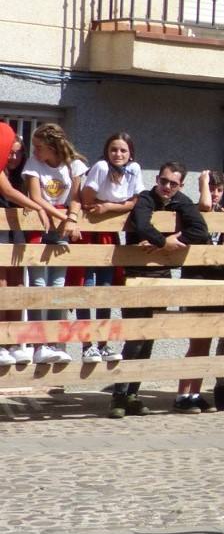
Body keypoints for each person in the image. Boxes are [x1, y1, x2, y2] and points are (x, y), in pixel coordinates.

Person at [109, 161, 211, 418]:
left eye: (173, 183)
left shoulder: (182, 202)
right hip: (136, 274)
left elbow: (200, 230)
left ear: (180, 185)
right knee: (134, 336)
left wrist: (172, 241)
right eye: (164, 181)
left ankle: (134, 394)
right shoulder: (146, 198)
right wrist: (163, 241)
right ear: (157, 179)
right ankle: (119, 396)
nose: (167, 187)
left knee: (149, 338)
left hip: (162, 275)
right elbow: (141, 225)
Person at [21, 123, 88, 365]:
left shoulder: (75, 165)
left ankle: (54, 343)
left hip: (62, 226)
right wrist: (67, 218)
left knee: (58, 285)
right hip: (41, 226)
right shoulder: (33, 164)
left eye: (39, 147)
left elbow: (77, 198)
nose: (35, 151)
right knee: (39, 284)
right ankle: (38, 344)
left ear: (52, 146)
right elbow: (36, 197)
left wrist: (71, 218)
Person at [77, 133, 143, 364]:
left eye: (123, 150)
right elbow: (87, 200)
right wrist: (107, 208)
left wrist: (108, 207)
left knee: (105, 287)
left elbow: (135, 200)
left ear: (130, 153)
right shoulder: (101, 167)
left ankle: (103, 343)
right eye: (114, 149)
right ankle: (87, 345)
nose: (118, 154)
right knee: (87, 287)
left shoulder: (134, 169)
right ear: (107, 151)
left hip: (109, 231)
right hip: (89, 231)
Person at [178, 170, 224, 412]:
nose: (214, 194)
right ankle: (183, 394)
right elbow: (204, 206)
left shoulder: (223, 214)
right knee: (197, 342)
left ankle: (196, 393)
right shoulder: (192, 209)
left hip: (216, 282)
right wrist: (202, 183)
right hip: (195, 280)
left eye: (218, 190)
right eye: (210, 187)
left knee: (206, 342)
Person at [0, 123, 42, 368]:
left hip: (15, 231)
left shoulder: (23, 174)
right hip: (1, 229)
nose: (13, 157)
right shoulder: (1, 172)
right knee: (2, 285)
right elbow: (9, 193)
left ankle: (15, 343)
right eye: (9, 152)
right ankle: (2, 344)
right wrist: (39, 208)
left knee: (17, 283)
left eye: (18, 152)